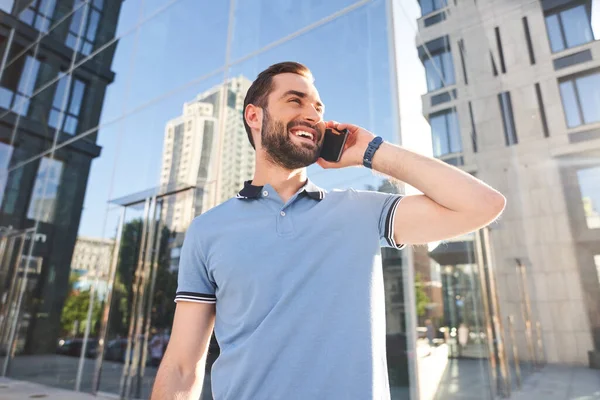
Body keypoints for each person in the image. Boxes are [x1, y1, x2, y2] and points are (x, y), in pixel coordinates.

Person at [150, 61, 505, 399]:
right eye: (295, 100)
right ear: (254, 116)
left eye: (318, 108)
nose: (313, 115)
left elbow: (482, 205)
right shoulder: (208, 230)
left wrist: (372, 152)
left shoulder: (361, 211)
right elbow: (182, 367)